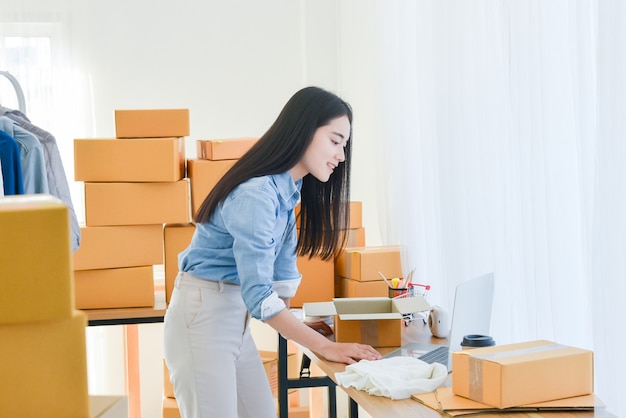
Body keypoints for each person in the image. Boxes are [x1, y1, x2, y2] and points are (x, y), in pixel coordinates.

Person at [163, 86, 382, 418]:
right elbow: (260, 296)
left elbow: (279, 285)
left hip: (232, 317)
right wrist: (323, 346)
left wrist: (310, 327)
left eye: (344, 145)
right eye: (335, 141)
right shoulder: (258, 195)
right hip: (204, 316)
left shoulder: (288, 189)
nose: (341, 155)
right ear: (305, 130)